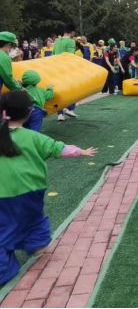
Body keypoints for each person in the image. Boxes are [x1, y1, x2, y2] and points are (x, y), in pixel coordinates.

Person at [0, 91, 97, 286]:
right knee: (34, 219)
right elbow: (59, 148)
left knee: (4, 227)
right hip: (31, 190)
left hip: (3, 194)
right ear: (29, 113)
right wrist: (81, 151)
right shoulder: (33, 137)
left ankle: (4, 269)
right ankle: (36, 244)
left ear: (3, 113)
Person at [53, 24, 78, 121]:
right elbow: (70, 56)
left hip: (56, 68)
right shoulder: (71, 41)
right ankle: (70, 109)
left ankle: (60, 114)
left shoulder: (57, 41)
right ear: (72, 32)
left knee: (59, 91)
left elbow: (53, 54)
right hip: (67, 69)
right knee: (73, 89)